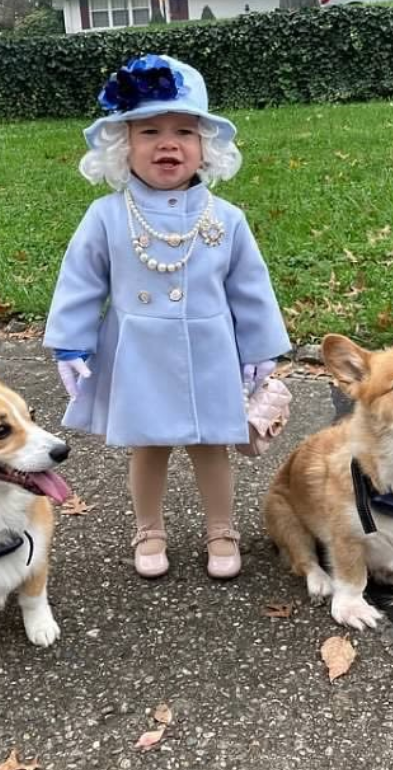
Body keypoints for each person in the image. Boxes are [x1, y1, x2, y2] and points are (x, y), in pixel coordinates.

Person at [44, 54, 290, 580]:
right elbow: (81, 281)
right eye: (149, 130)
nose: (167, 143)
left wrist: (260, 348)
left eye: (184, 131)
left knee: (211, 447)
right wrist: (71, 342)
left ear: (206, 148)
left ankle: (221, 527)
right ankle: (148, 527)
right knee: (148, 446)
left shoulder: (226, 218)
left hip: (209, 352)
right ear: (122, 146)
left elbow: (250, 287)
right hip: (139, 354)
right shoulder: (107, 216)